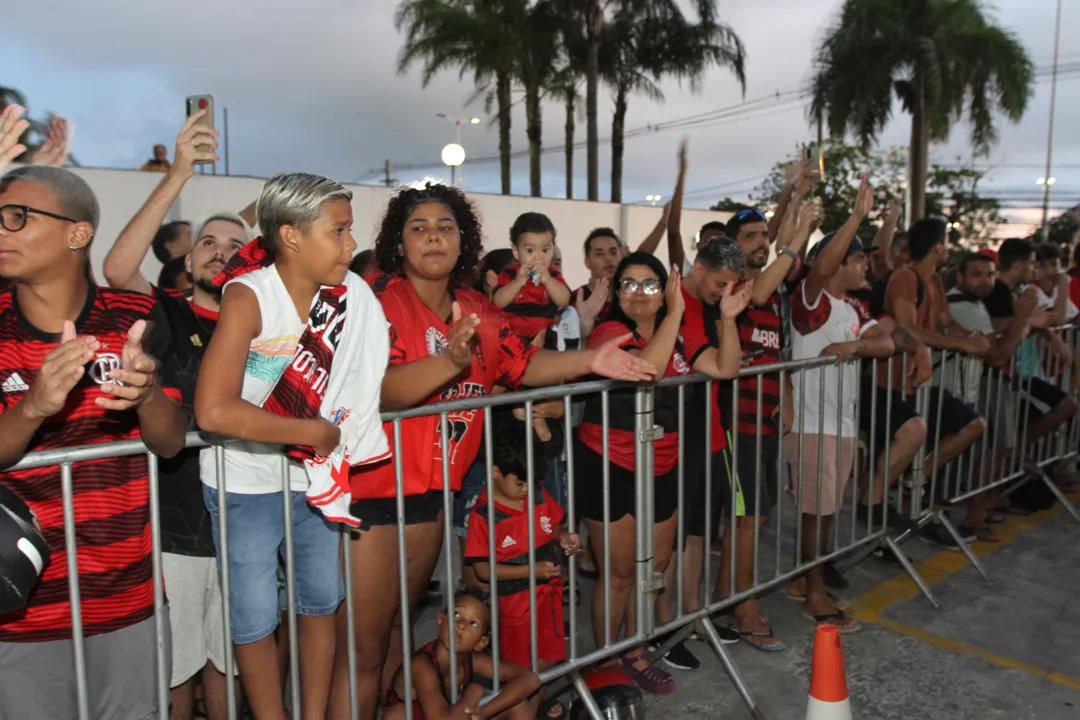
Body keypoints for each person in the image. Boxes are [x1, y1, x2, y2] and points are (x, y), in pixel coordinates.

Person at [331, 183, 654, 720]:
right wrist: (451, 361)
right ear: (398, 242)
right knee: (363, 648)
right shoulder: (378, 299)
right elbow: (377, 390)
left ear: (464, 242)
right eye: (419, 228)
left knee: (396, 627)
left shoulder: (479, 307)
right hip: (370, 492)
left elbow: (521, 366)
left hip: (433, 493)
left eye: (445, 228)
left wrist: (590, 362)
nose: (433, 236)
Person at [0, 164, 188, 719]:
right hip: (23, 612)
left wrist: (146, 393)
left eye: (17, 218)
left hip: (128, 601)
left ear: (77, 234)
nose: (1, 232)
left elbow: (172, 443)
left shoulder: (129, 314)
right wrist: (33, 407)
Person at [195, 172, 375, 720]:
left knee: (321, 603)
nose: (350, 245)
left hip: (311, 482)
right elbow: (214, 410)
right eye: (338, 231)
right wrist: (312, 432)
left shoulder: (348, 301)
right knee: (253, 618)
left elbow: (367, 381)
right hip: (243, 485)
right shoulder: (250, 297)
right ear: (293, 237)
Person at [101, 113, 248, 720]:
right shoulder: (166, 315)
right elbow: (114, 270)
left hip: (247, 523)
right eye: (207, 243)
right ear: (187, 264)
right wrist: (178, 172)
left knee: (227, 660)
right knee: (176, 663)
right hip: (177, 526)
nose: (220, 253)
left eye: (236, 246)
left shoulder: (263, 331)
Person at [575, 251, 749, 692]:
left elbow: (726, 368)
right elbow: (646, 368)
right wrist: (676, 312)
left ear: (663, 289)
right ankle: (604, 661)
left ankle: (634, 651)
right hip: (610, 464)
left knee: (651, 567)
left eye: (650, 284)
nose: (638, 294)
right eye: (628, 284)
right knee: (617, 574)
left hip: (663, 463)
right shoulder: (611, 331)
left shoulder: (680, 333)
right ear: (616, 293)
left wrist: (727, 319)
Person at [785, 175, 895, 633]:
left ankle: (804, 581)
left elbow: (886, 344)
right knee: (815, 511)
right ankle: (813, 594)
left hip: (840, 424)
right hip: (812, 423)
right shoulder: (810, 300)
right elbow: (820, 268)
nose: (864, 266)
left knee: (826, 511)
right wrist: (855, 217)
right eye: (857, 258)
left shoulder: (852, 307)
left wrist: (857, 348)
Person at [465, 419, 579, 718]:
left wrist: (564, 536)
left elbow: (552, 525)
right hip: (513, 610)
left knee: (547, 660)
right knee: (521, 671)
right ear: (496, 472)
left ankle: (530, 707)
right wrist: (532, 572)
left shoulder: (537, 493)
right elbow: (484, 571)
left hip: (547, 601)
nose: (527, 490)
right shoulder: (484, 515)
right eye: (520, 482)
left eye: (532, 482)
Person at [982, 237, 1077, 490]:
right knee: (1000, 442)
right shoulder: (999, 292)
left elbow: (1044, 320)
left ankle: (1015, 457)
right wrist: (1028, 322)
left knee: (1064, 406)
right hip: (1000, 374)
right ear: (1019, 264)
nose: (1034, 270)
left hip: (1013, 374)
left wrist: (1046, 332)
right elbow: (1007, 331)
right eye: (1032, 264)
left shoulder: (1014, 293)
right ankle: (981, 504)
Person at [383, 586, 542, 720]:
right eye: (456, 614)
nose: (461, 625)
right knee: (397, 715)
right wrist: (471, 695)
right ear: (440, 619)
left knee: (515, 702)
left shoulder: (472, 661)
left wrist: (485, 711)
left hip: (452, 714)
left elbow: (530, 679)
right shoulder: (421, 666)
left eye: (473, 623)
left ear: (481, 642)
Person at [493, 213, 572, 444]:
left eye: (545, 250)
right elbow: (498, 301)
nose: (538, 257)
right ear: (516, 252)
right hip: (512, 336)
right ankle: (518, 402)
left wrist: (548, 279)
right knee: (513, 370)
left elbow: (564, 299)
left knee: (545, 375)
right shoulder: (509, 274)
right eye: (530, 251)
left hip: (542, 333)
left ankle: (537, 415)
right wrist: (517, 281)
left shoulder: (553, 276)